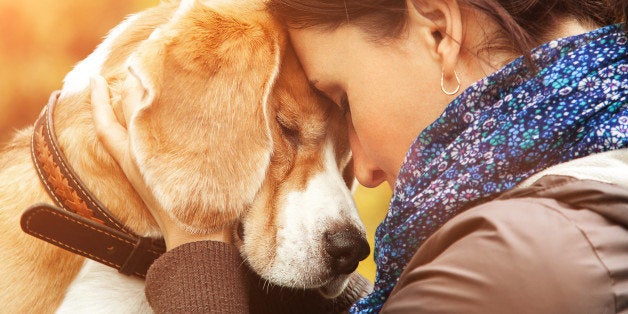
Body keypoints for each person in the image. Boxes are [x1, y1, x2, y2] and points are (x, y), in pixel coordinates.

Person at [90, 0, 628, 312]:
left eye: (344, 99)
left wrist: (196, 256)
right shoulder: (591, 183)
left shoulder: (519, 259)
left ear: (440, 30)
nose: (365, 174)